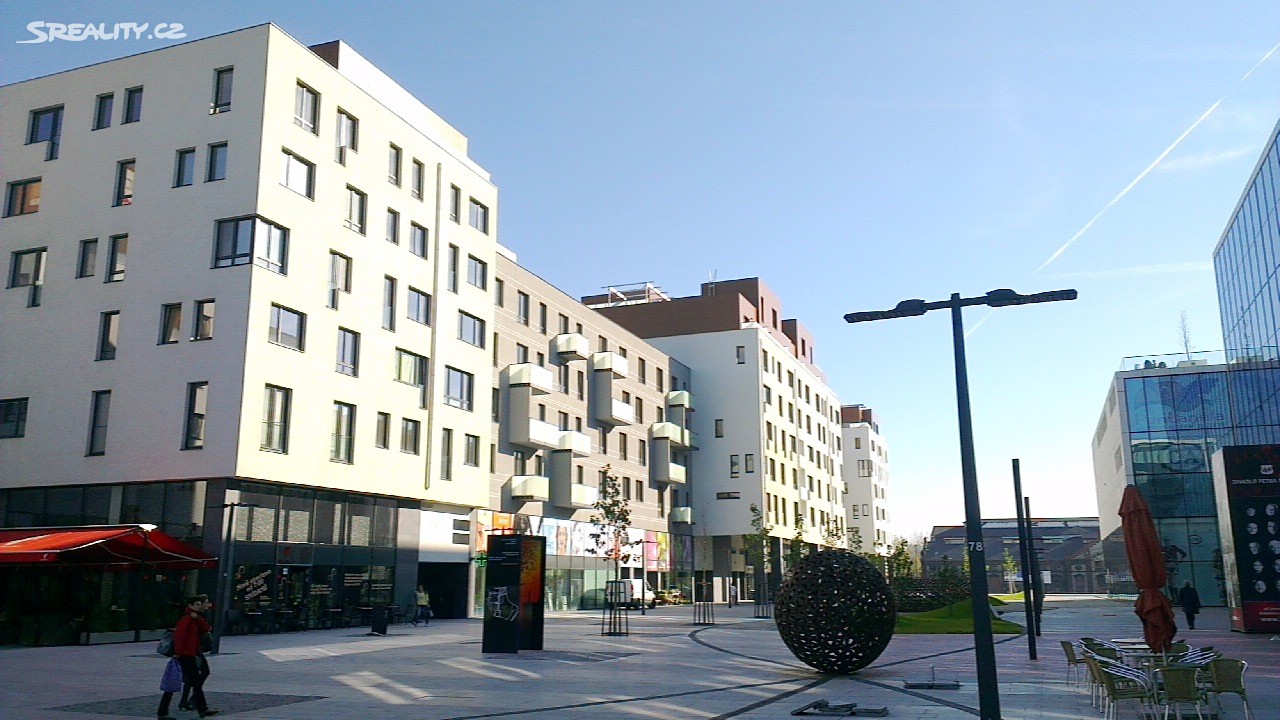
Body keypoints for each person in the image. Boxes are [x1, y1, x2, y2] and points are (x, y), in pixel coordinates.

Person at [158, 595, 218, 719]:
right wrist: (178, 652)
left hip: (190, 654)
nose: (199, 606)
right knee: (178, 682)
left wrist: (197, 618)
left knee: (193, 682)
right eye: (197, 604)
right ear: (190, 605)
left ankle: (201, 709)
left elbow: (205, 628)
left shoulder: (195, 617)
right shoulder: (186, 618)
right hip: (185, 655)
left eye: (199, 604)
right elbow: (179, 636)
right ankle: (163, 712)